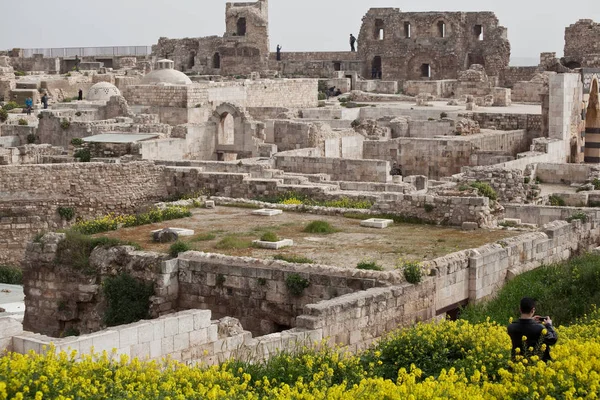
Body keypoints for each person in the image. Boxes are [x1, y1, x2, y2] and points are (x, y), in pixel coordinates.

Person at [507, 297, 558, 362]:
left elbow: (524, 326)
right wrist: (549, 325)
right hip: (538, 365)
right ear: (533, 310)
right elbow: (553, 339)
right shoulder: (540, 328)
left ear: (520, 309)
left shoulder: (511, 327)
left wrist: (531, 321)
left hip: (517, 363)